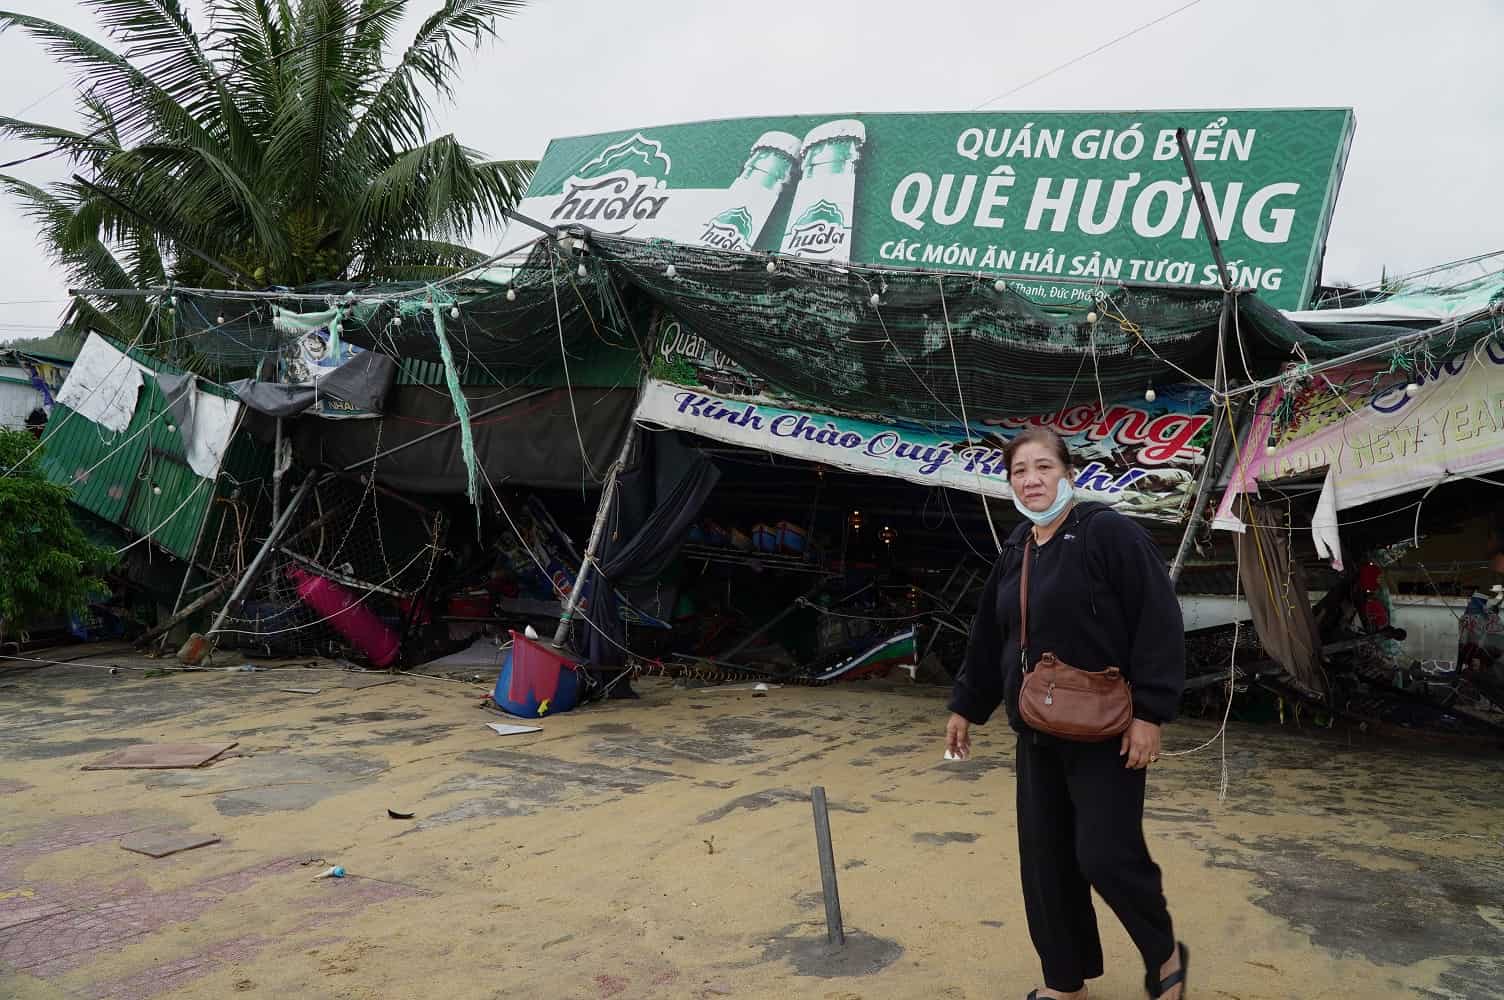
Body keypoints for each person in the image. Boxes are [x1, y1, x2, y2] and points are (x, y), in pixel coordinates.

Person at [945, 427, 1188, 1000]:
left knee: (1106, 854)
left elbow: (1159, 619)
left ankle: (1164, 954)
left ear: (1067, 472)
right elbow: (989, 634)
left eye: (1042, 467)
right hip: (1036, 728)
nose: (1031, 480)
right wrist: (966, 706)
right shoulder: (1017, 548)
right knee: (1047, 863)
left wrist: (1150, 713)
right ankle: (1065, 983)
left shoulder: (1107, 533)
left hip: (1107, 730)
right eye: (1019, 471)